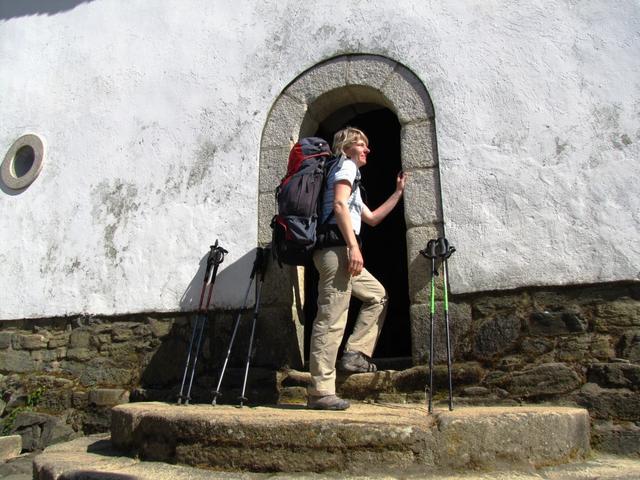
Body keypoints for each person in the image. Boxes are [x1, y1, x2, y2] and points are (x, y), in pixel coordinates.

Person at [307, 126, 407, 410]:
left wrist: (398, 192)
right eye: (362, 145)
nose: (367, 150)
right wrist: (353, 247)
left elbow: (372, 218)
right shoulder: (346, 166)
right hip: (337, 251)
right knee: (331, 318)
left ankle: (355, 353)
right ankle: (320, 391)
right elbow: (339, 205)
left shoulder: (352, 176)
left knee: (378, 295)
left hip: (339, 250)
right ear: (347, 146)